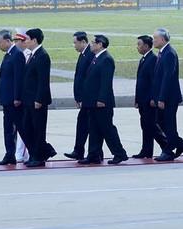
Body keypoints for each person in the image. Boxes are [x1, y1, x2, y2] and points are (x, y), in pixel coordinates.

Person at [79, 35, 128, 165]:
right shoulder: (97, 58)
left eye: (93, 42)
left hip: (101, 103)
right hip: (93, 102)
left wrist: (101, 99)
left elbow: (106, 82)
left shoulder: (106, 59)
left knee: (107, 129)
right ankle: (93, 154)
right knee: (94, 129)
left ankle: (119, 153)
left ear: (100, 44)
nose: (90, 44)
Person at [152, 28, 183, 162]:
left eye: (155, 38)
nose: (153, 40)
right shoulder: (163, 53)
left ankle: (168, 151)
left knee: (169, 125)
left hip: (169, 98)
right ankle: (180, 145)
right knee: (162, 123)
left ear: (162, 39)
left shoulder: (169, 54)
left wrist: (162, 98)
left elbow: (168, 78)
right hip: (163, 97)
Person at [21, 28, 56, 167]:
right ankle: (42, 152)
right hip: (28, 100)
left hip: (37, 101)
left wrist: (39, 99)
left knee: (38, 130)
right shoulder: (33, 55)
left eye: (27, 39)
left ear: (34, 40)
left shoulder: (42, 56)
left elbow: (43, 80)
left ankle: (38, 157)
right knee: (27, 128)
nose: (25, 42)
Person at [0, 29, 25, 165]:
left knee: (20, 129)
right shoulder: (9, 54)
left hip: (13, 100)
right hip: (7, 99)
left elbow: (19, 78)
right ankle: (10, 154)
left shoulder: (17, 54)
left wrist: (17, 97)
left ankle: (37, 153)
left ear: (8, 41)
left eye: (0, 42)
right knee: (8, 129)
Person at [133, 35, 167, 158]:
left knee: (151, 126)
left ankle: (167, 146)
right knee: (145, 126)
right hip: (143, 100)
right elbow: (140, 82)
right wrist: (137, 100)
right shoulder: (144, 59)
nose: (137, 47)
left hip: (149, 101)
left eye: (139, 44)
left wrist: (154, 98)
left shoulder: (152, 59)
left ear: (146, 46)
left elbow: (154, 81)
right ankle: (146, 150)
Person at [65, 31, 95, 160]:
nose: (74, 45)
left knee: (88, 125)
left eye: (75, 42)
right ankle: (78, 150)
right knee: (82, 124)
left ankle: (90, 153)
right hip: (82, 98)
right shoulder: (83, 54)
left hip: (87, 99)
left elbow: (87, 80)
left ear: (83, 42)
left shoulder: (89, 55)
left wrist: (83, 98)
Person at [12, 29, 30, 163]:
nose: (15, 43)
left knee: (24, 126)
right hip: (22, 96)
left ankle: (21, 154)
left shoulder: (27, 55)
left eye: (17, 41)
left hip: (25, 97)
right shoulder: (17, 54)